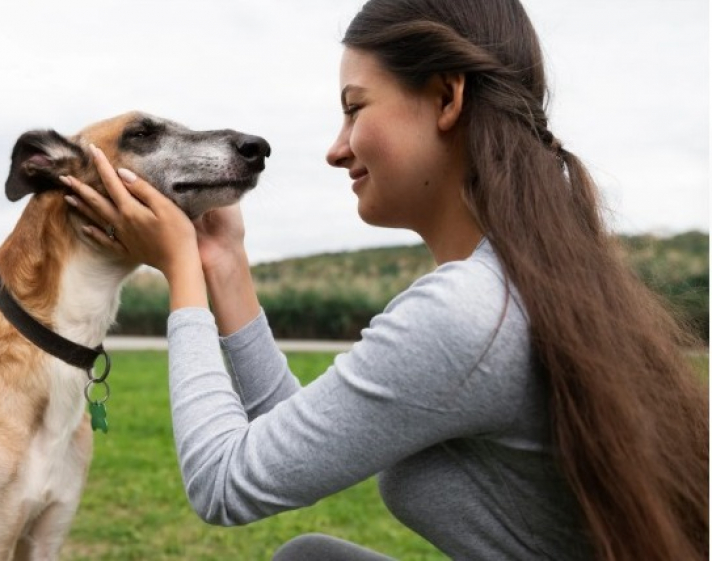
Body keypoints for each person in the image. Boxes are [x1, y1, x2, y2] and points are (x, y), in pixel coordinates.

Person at [62, 0, 709, 559]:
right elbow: (294, 435)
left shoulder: (465, 314)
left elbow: (223, 481)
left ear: (447, 98)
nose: (336, 147)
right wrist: (221, 264)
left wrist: (180, 274)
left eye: (355, 109)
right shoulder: (530, 280)